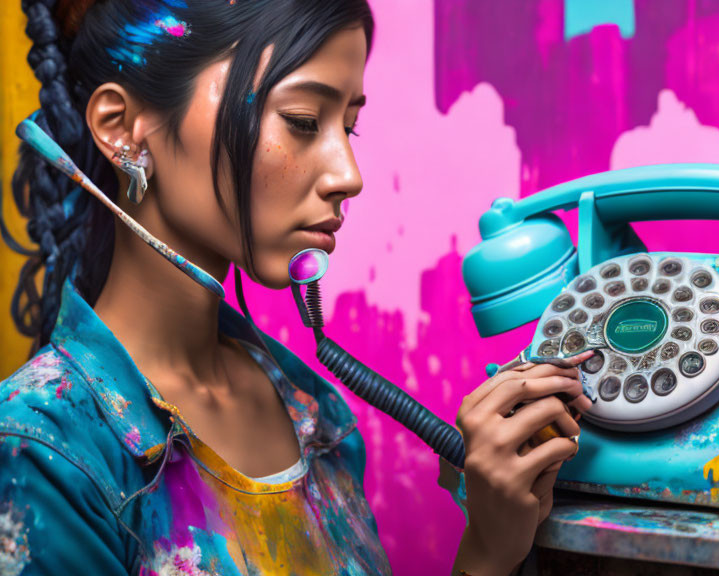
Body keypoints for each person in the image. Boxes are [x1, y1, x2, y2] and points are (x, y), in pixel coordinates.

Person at [0, 1, 592, 574]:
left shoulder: (312, 409)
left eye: (349, 128)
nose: (348, 176)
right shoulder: (44, 453)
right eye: (303, 120)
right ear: (123, 128)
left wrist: (490, 549)